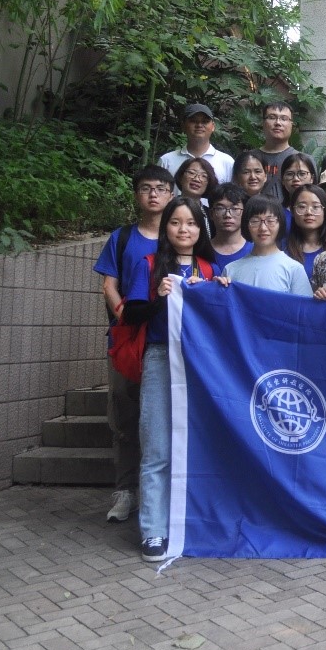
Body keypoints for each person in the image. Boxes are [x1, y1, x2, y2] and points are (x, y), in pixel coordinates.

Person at [120, 196, 217, 562]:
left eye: (191, 223)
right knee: (157, 447)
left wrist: (221, 289)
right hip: (161, 358)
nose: (183, 229)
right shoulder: (148, 265)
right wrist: (160, 298)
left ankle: (192, 523)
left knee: (199, 446)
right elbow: (130, 314)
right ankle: (153, 530)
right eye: (175, 222)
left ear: (200, 229)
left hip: (200, 365)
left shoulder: (210, 269)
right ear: (166, 228)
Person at [92, 166, 174, 525]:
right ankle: (125, 491)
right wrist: (126, 314)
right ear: (136, 195)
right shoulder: (122, 237)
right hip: (127, 339)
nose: (153, 195)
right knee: (125, 415)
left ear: (172, 194)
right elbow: (109, 285)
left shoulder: (179, 234)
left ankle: (161, 494)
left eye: (160, 188)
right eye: (145, 188)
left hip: (167, 340)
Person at [220, 196, 313, 297]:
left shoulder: (294, 269)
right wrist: (218, 287)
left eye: (270, 221)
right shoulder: (231, 270)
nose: (263, 228)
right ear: (246, 225)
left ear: (280, 224)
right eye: (255, 221)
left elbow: (304, 306)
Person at [157, 103, 235, 184]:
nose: (199, 125)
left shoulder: (227, 162)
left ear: (213, 126)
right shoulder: (167, 161)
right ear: (183, 126)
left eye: (205, 121)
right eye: (193, 121)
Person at [285, 184, 326, 277]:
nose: (309, 212)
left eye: (315, 207)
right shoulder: (282, 249)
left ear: (325, 211)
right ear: (292, 211)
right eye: (302, 207)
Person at [258, 102, 303, 200]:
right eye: (272, 117)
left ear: (291, 125)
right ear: (263, 123)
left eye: (284, 118)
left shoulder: (303, 161)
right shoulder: (249, 159)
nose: (278, 123)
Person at [207, 183, 252, 267]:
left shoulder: (255, 251)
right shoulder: (202, 251)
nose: (227, 215)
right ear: (211, 214)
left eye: (235, 209)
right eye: (220, 208)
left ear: (245, 213)